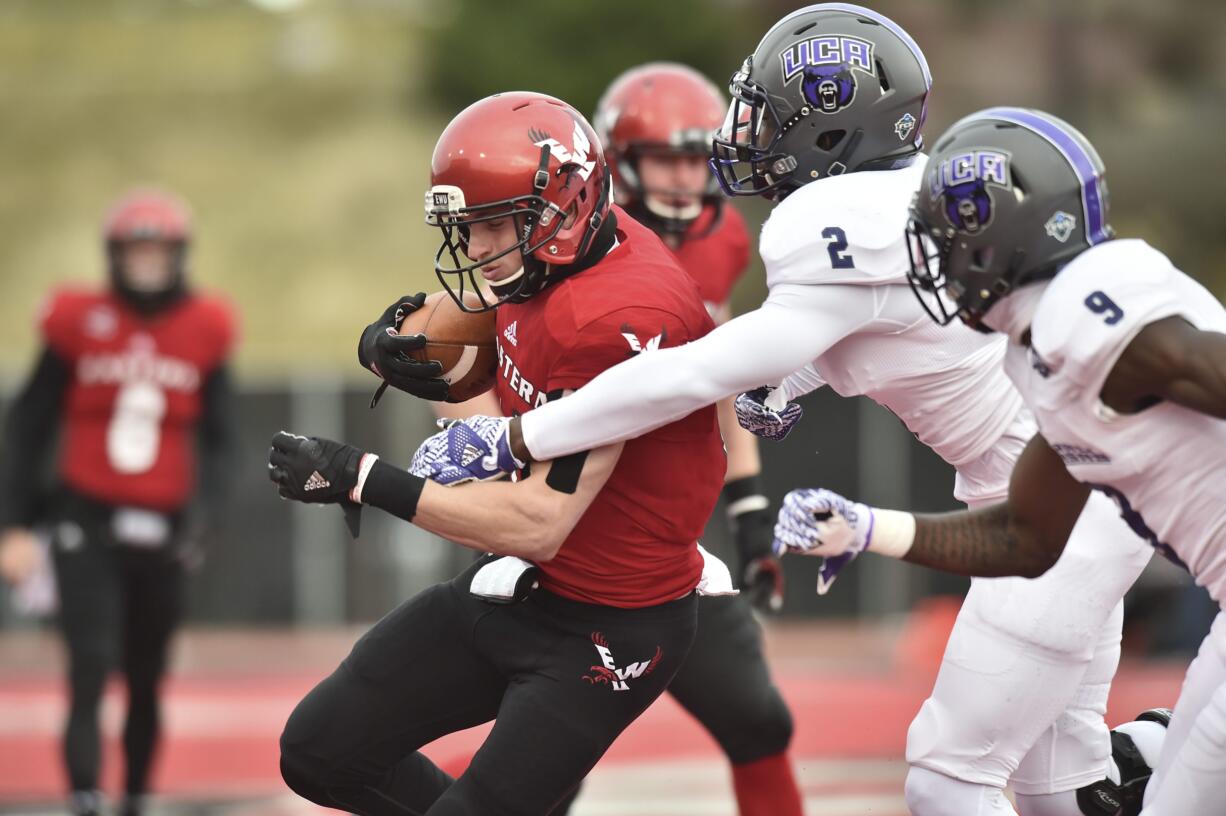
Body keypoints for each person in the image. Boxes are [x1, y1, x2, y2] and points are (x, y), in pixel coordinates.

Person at [407, 6, 1170, 815]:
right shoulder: (905, 200)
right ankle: (1163, 752)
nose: (743, 133)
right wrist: (795, 379)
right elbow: (896, 326)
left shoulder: (837, 223)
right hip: (1075, 486)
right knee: (1065, 790)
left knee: (948, 779)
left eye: (766, 115)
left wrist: (517, 433)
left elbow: (687, 375)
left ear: (832, 131)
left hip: (1061, 506)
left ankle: (1179, 744)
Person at [268, 91, 733, 816]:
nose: (477, 249)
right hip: (526, 585)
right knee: (321, 751)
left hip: (609, 624)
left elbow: (537, 519)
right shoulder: (561, 252)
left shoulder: (617, 316)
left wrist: (362, 478)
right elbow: (493, 401)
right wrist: (418, 360)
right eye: (467, 227)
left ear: (561, 209)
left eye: (490, 226)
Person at [772, 106, 1226, 816]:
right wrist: (865, 528)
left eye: (946, 241)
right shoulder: (1037, 349)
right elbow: (1025, 536)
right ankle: (1145, 754)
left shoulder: (1089, 308)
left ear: (1005, 240)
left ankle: (1145, 754)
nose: (932, 264)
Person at [404, 63, 803, 816]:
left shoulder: (720, 240)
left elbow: (704, 379)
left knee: (756, 719)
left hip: (649, 537)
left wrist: (749, 503)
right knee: (539, 768)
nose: (686, 179)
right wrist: (493, 464)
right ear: (608, 166)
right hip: (555, 517)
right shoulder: (550, 244)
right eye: (665, 159)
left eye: (696, 157)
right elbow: (475, 349)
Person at [0, 189, 237, 816]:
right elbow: (27, 425)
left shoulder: (206, 326)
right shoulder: (78, 319)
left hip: (162, 524)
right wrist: (15, 524)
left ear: (180, 255)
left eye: (159, 249)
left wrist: (203, 518)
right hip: (86, 517)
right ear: (113, 255)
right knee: (90, 663)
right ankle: (85, 798)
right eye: (137, 249)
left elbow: (221, 440)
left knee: (145, 676)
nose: (148, 263)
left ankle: (134, 798)